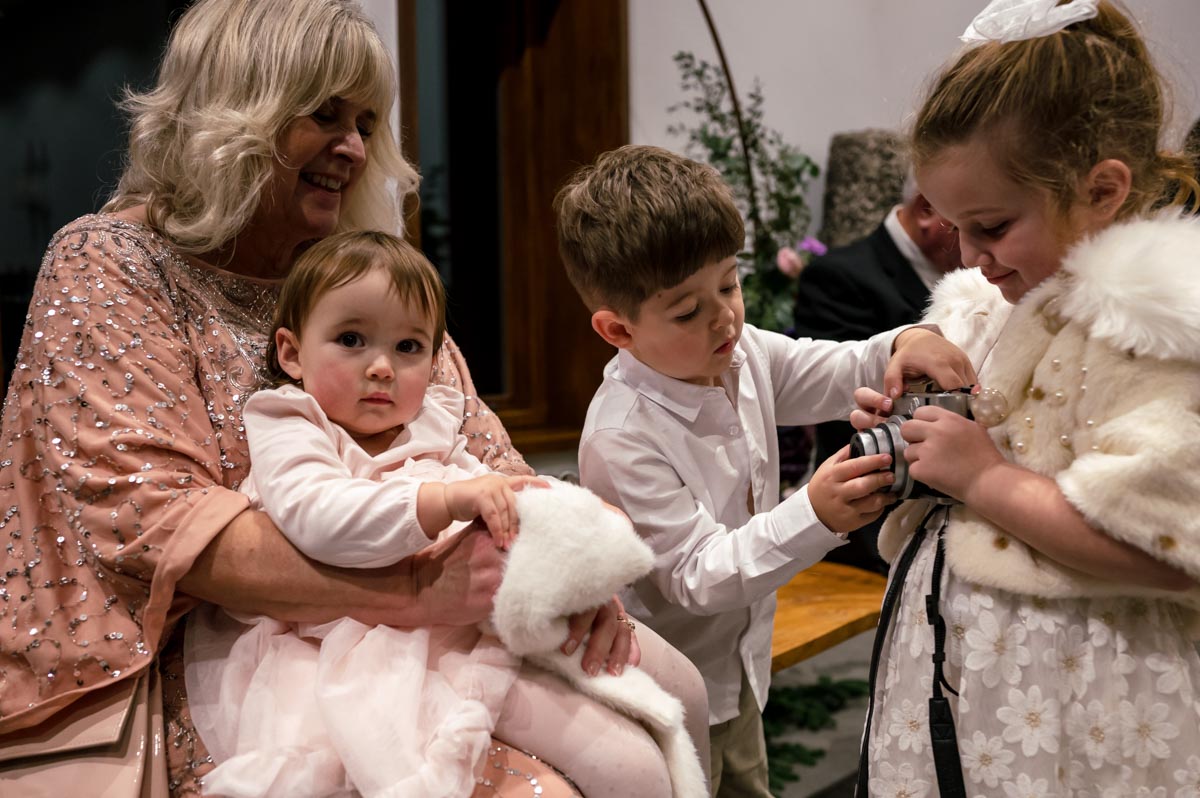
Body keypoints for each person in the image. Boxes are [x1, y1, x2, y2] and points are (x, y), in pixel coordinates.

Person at [0, 2, 706, 796]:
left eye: (367, 121)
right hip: (244, 664)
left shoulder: (353, 279)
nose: (354, 147)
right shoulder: (112, 263)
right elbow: (159, 523)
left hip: (452, 629)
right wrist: (410, 594)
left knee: (671, 702)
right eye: (323, 114)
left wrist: (579, 576)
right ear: (233, 113)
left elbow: (486, 448)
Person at [852, 1, 1200, 794]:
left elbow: (1170, 552)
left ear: (1103, 190)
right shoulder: (983, 305)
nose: (971, 257)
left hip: (1087, 688)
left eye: (994, 225)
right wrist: (911, 444)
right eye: (952, 229)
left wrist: (982, 479)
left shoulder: (1154, 325)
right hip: (957, 665)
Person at [553, 144, 976, 796]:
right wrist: (815, 512)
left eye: (729, 282)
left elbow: (830, 367)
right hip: (664, 693)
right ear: (617, 330)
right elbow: (695, 575)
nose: (723, 314)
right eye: (687, 309)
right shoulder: (621, 436)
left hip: (741, 675)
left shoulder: (740, 352)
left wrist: (902, 342)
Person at [185, 229, 553, 796]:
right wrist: (445, 500)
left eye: (408, 347)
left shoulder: (431, 420)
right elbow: (318, 516)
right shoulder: (291, 421)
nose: (382, 367)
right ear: (291, 353)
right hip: (331, 640)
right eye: (351, 338)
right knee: (389, 761)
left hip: (453, 622)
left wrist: (548, 510)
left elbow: (493, 488)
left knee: (651, 718)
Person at [792, 175, 962, 574]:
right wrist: (909, 341)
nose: (973, 246)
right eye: (959, 226)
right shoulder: (839, 275)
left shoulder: (973, 274)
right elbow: (848, 394)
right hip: (876, 519)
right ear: (926, 209)